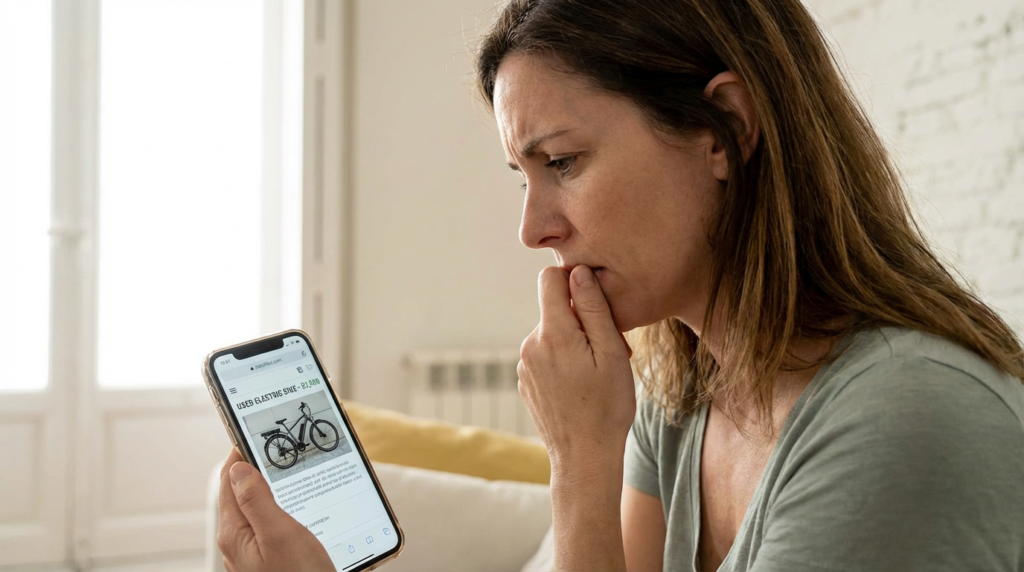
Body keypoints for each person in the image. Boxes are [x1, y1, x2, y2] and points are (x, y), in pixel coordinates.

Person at [216, 0, 1024, 571]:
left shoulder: (906, 420)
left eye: (561, 162)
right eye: (521, 176)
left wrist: (579, 460)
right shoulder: (683, 401)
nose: (533, 229)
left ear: (726, 130)